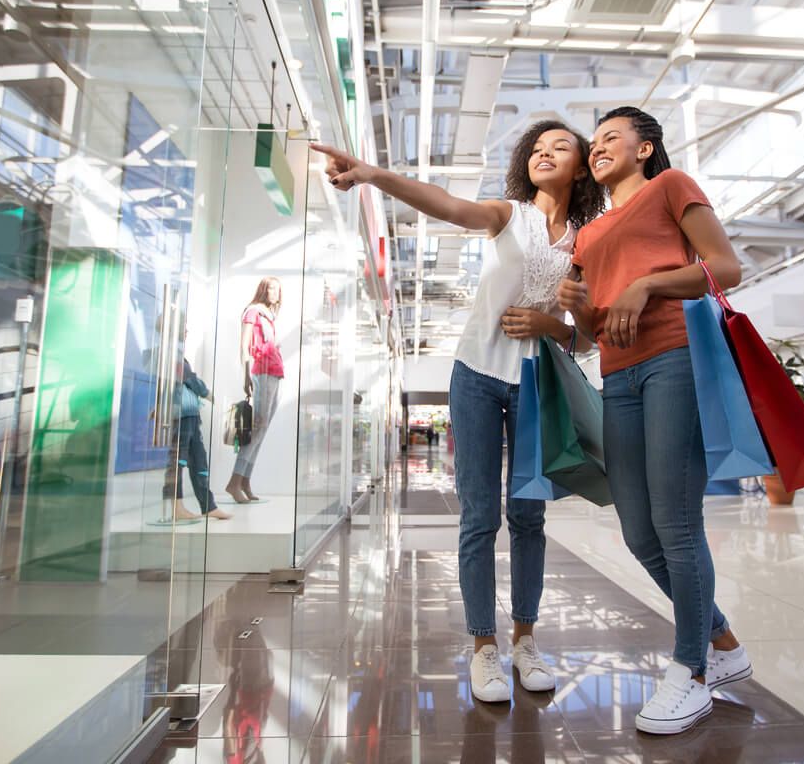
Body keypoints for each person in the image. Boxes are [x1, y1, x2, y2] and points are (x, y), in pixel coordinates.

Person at [313, 120, 604, 703]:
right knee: (479, 517)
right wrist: (371, 175)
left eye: (561, 147)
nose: (545, 153)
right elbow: (444, 204)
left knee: (528, 517)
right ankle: (483, 648)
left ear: (582, 167)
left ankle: (525, 639)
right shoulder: (507, 216)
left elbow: (590, 337)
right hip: (474, 377)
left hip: (534, 384)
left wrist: (552, 324)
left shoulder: (587, 241)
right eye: (537, 148)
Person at [557, 107, 751, 735]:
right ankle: (722, 643)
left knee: (676, 522)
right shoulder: (587, 235)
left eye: (613, 137)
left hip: (674, 360)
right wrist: (581, 307)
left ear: (646, 148)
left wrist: (647, 287)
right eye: (595, 142)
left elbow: (725, 269)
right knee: (640, 532)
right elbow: (588, 337)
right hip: (618, 376)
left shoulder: (672, 187)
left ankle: (691, 669)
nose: (599, 147)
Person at [225, 277, 284, 503]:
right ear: (263, 289)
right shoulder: (253, 312)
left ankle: (245, 480)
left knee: (262, 430)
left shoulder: (270, 317)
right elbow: (244, 345)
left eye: (278, 290)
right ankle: (234, 482)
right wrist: (245, 375)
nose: (275, 293)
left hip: (276, 372)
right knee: (257, 428)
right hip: (262, 371)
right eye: (271, 288)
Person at [165, 357, 231, 520]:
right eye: (184, 329)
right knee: (177, 463)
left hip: (191, 415)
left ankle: (208, 506)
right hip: (182, 416)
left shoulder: (179, 356)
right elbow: (193, 382)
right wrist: (211, 396)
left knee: (199, 462)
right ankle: (177, 507)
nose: (186, 330)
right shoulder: (172, 354)